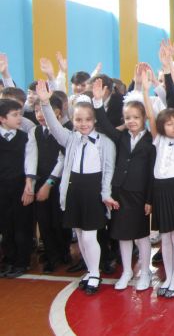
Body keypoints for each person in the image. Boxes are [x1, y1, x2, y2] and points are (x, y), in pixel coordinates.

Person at [37, 80, 117, 295]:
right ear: (72, 120)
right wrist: (45, 103)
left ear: (94, 120)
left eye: (88, 119)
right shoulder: (70, 139)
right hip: (74, 190)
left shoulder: (105, 142)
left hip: (93, 192)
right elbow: (54, 126)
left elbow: (108, 171)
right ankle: (90, 270)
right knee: (80, 235)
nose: (83, 124)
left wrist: (105, 193)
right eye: (78, 120)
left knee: (90, 236)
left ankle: (95, 273)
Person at [92, 80, 155, 291]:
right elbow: (103, 123)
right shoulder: (120, 137)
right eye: (128, 118)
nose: (132, 121)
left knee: (141, 235)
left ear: (144, 118)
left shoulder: (151, 141)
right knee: (122, 233)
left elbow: (152, 174)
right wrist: (98, 101)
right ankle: (127, 271)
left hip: (139, 195)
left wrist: (149, 199)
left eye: (136, 117)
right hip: (120, 192)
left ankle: (145, 271)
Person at [142, 73, 174, 299]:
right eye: (169, 123)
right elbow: (151, 115)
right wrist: (145, 89)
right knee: (165, 237)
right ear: (162, 127)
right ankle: (169, 276)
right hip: (160, 190)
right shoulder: (158, 139)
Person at [25, 95, 73, 274]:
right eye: (36, 111)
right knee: (44, 221)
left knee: (59, 220)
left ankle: (64, 251)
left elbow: (63, 159)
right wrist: (30, 181)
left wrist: (49, 183)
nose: (39, 114)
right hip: (40, 181)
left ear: (57, 112)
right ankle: (52, 255)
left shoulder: (66, 131)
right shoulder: (35, 132)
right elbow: (31, 156)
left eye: (44, 111)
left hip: (58, 182)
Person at [0, 98, 34, 278]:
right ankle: (9, 260)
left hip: (20, 188)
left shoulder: (24, 137)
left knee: (22, 226)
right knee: (6, 226)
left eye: (20, 114)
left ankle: (22, 261)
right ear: (2, 119)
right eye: (14, 115)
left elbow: (30, 164)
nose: (19, 118)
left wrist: (29, 187)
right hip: (2, 190)